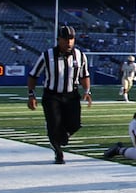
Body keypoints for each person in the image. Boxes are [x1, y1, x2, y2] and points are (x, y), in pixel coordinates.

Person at [26, 24, 92, 164]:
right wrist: (31, 95)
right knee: (54, 124)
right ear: (58, 39)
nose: (69, 42)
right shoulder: (47, 55)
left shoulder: (80, 55)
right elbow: (33, 75)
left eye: (71, 39)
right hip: (52, 95)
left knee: (75, 124)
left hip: (71, 95)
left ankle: (60, 137)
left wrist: (87, 91)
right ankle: (58, 152)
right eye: (65, 39)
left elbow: (84, 75)